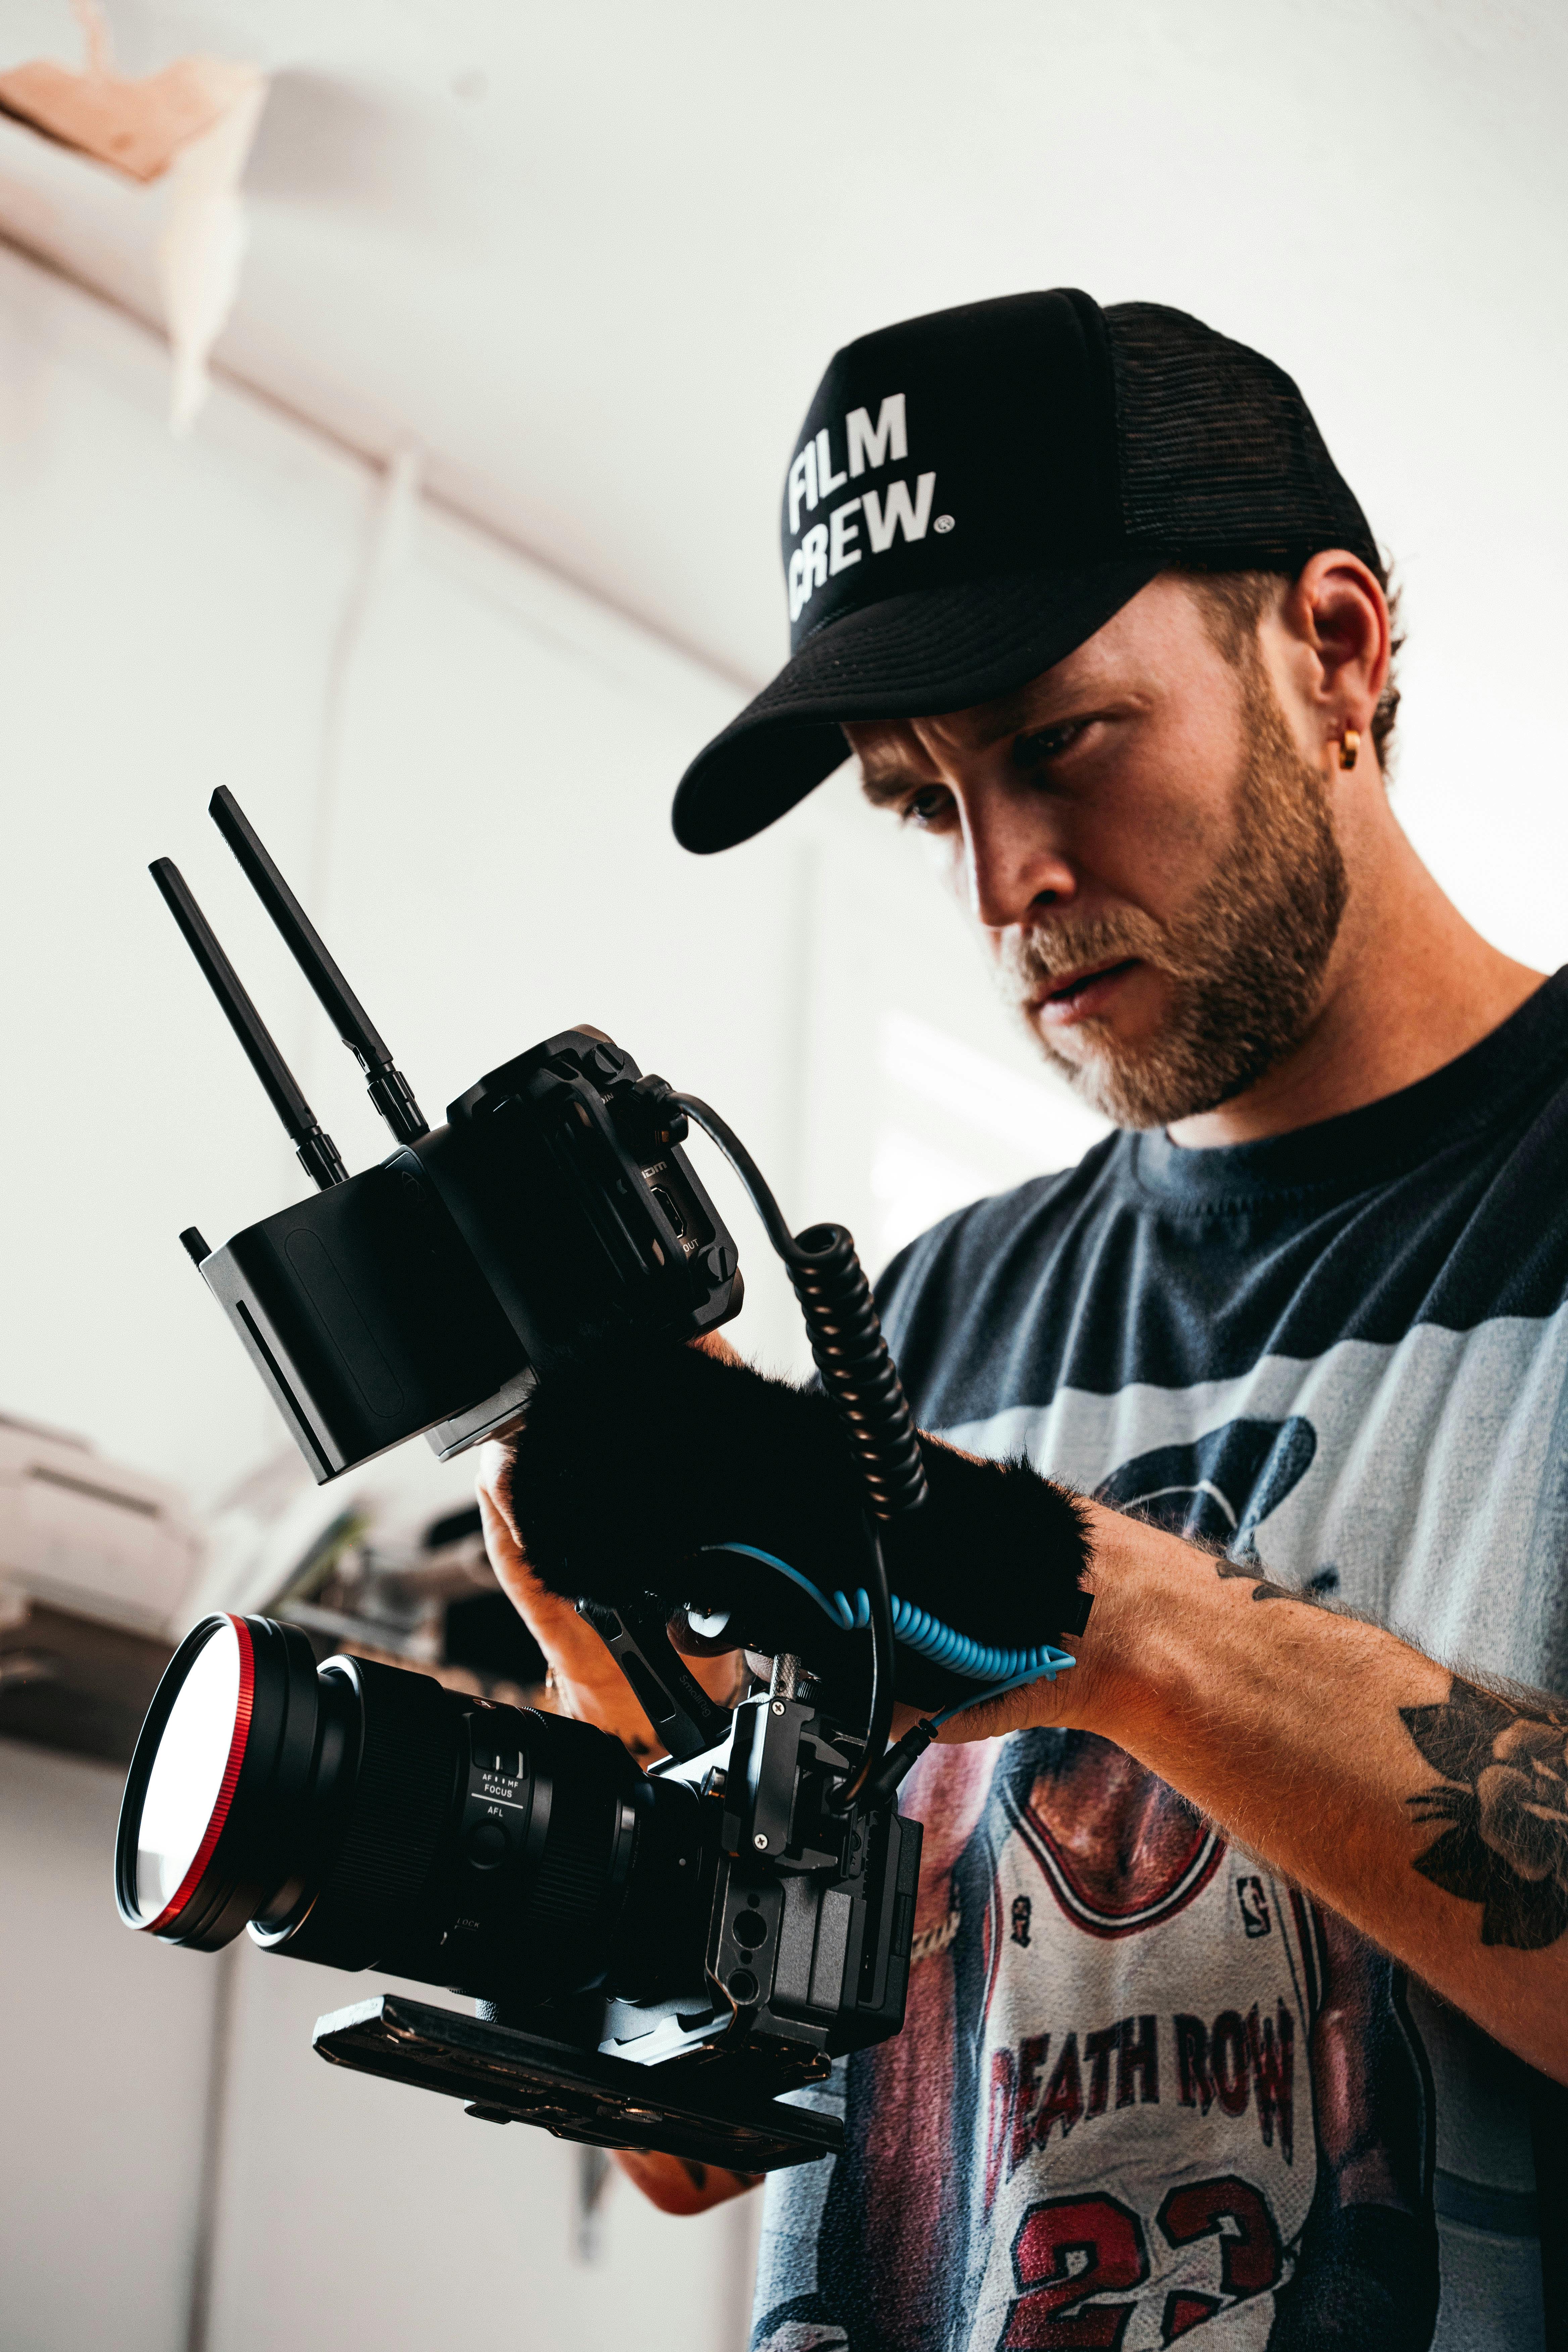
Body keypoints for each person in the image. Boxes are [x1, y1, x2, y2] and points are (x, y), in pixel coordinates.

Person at [478, 292, 1568, 2350]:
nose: (1004, 882)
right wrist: (623, 1687)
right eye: (922, 801)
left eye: (1059, 740)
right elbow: (699, 2144)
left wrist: (1111, 1623)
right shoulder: (934, 1315)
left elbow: (1082, 1624)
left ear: (1334, 649)